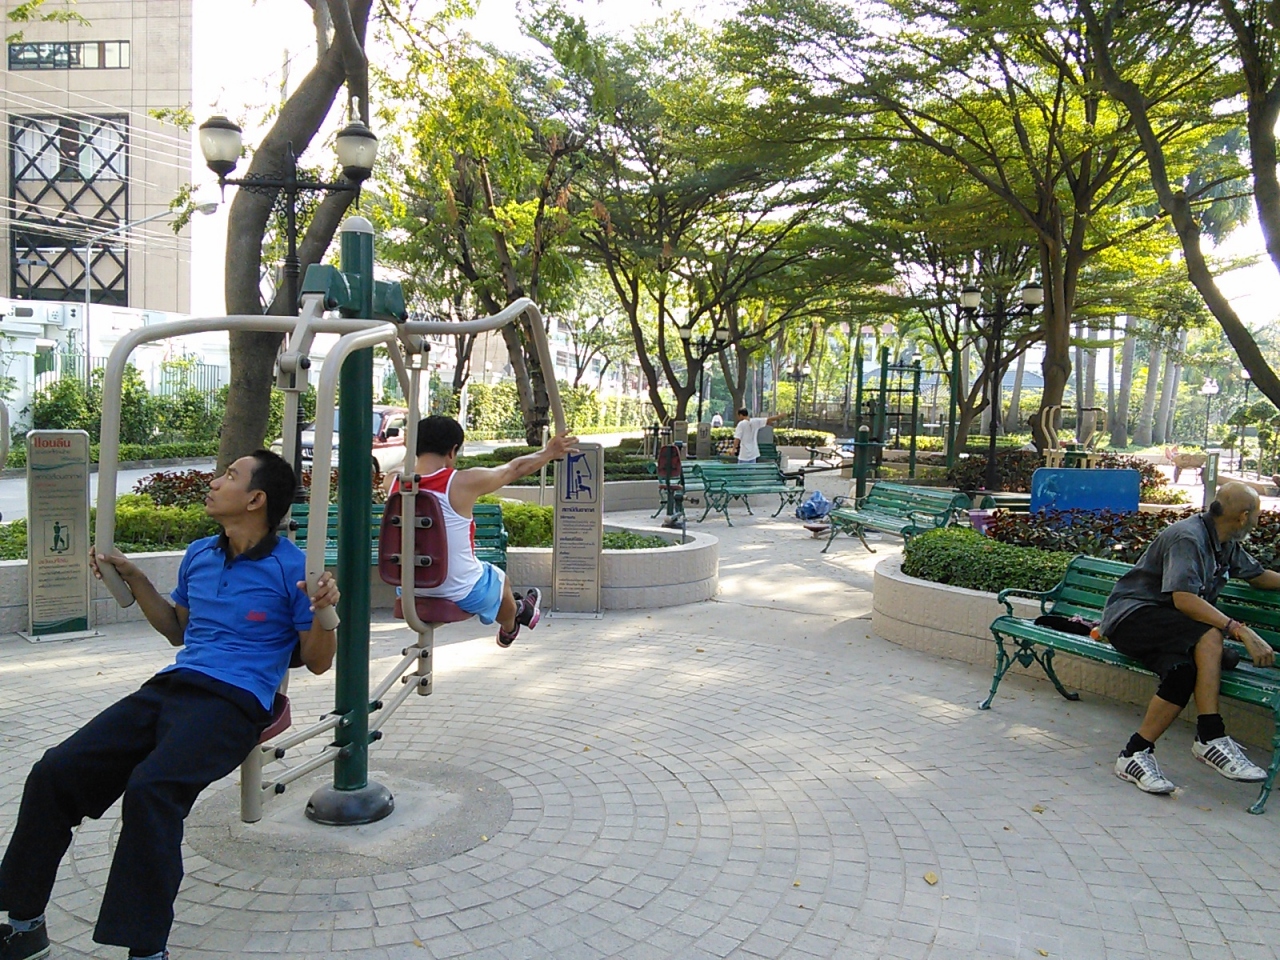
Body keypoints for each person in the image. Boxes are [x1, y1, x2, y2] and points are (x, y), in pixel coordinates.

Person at [0, 450, 339, 960]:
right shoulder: (199, 554)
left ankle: (146, 949)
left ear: (255, 499)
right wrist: (136, 580)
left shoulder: (294, 568)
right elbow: (178, 630)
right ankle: (24, 925)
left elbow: (317, 663)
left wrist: (324, 612)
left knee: (151, 790)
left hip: (236, 701)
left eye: (229, 476)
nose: (215, 481)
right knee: (55, 771)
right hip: (174, 686)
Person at [1101, 481, 1279, 795]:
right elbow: (1183, 599)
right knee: (1210, 635)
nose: (1256, 522)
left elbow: (1258, 577)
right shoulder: (1188, 537)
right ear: (1243, 516)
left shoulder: (1223, 542)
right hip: (1133, 618)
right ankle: (1210, 735)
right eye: (1256, 515)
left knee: (1183, 673)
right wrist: (1240, 630)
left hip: (1170, 629)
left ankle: (1133, 755)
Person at [390, 416, 577, 646]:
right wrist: (549, 452)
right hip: (459, 589)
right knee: (500, 580)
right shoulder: (462, 482)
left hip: (409, 589)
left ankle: (521, 609)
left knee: (487, 577)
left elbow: (400, 468)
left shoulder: (394, 482)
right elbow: (513, 469)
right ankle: (511, 625)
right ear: (452, 451)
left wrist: (410, 450)